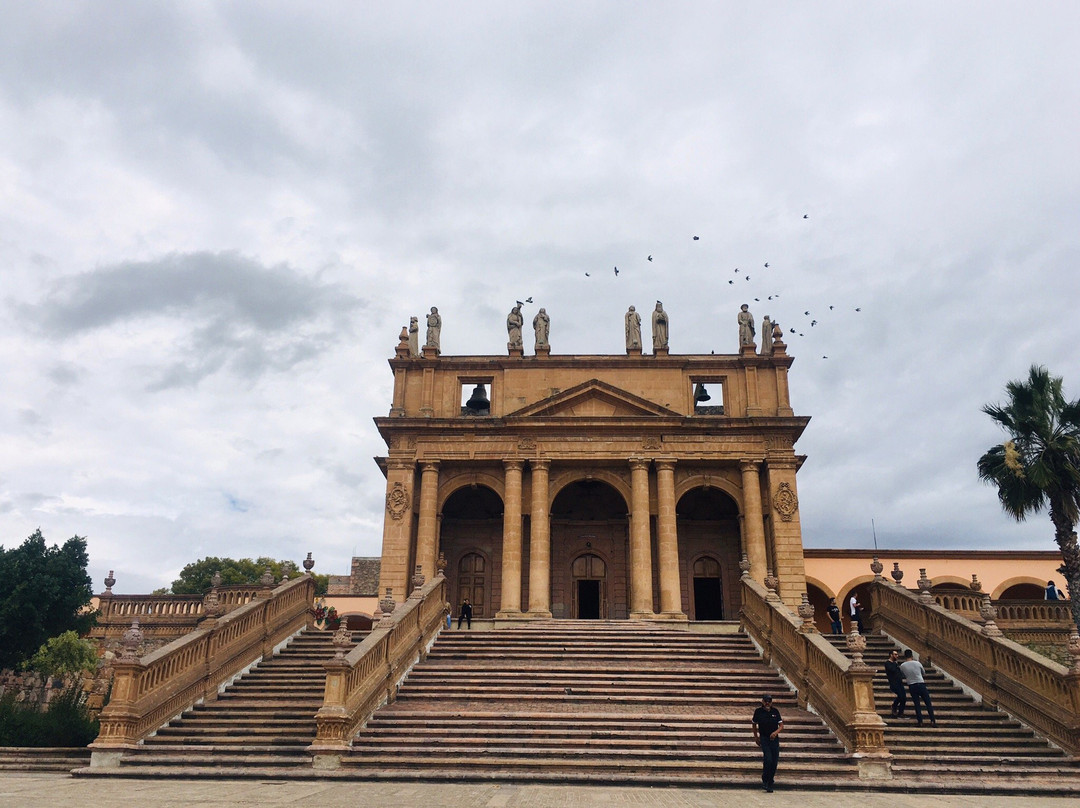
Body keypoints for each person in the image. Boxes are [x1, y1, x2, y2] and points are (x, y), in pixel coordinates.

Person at [751, 694, 783, 792]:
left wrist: (775, 732)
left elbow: (781, 725)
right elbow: (754, 725)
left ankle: (770, 782)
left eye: (769, 701)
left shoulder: (775, 711)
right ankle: (765, 780)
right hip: (764, 738)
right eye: (766, 701)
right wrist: (756, 737)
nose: (767, 703)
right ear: (763, 702)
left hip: (774, 739)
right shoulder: (758, 712)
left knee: (774, 761)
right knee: (768, 759)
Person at [899, 649, 936, 726]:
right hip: (921, 683)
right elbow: (923, 673)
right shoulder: (917, 663)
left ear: (904, 656)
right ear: (912, 655)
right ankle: (932, 720)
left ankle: (920, 721)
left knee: (917, 704)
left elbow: (902, 675)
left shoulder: (902, 666)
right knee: (928, 703)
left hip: (912, 685)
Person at [884, 649, 907, 718]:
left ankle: (901, 712)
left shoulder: (896, 663)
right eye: (895, 654)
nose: (897, 656)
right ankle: (894, 706)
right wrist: (896, 665)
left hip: (899, 682)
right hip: (893, 683)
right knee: (900, 696)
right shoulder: (888, 663)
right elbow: (892, 670)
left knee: (904, 698)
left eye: (897, 654)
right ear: (891, 655)